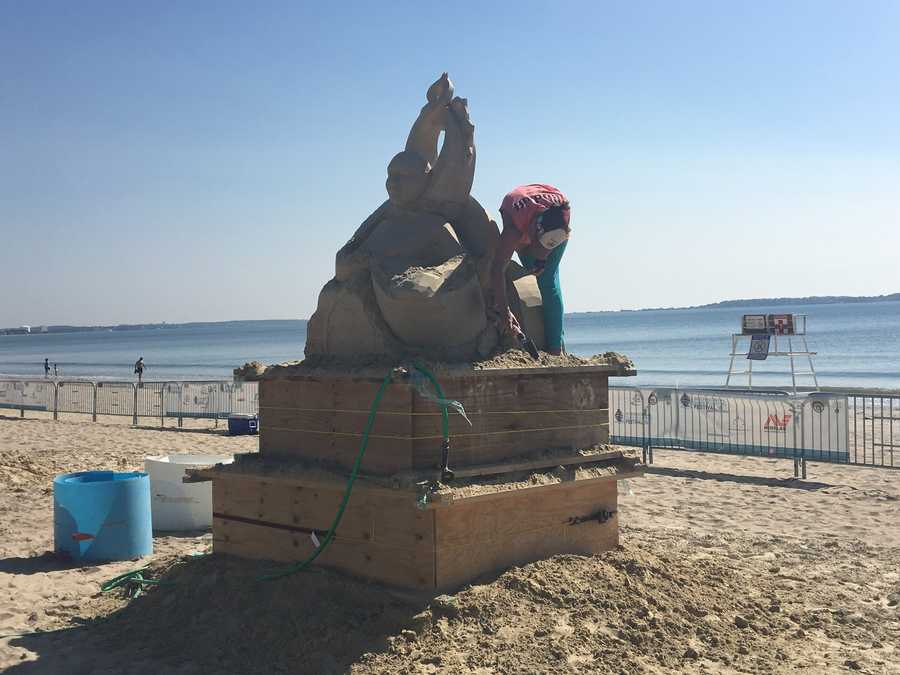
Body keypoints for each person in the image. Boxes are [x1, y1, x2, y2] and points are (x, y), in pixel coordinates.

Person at [491, 183, 571, 355]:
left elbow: (548, 243)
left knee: (547, 280)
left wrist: (543, 259)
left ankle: (556, 349)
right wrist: (505, 311)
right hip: (522, 214)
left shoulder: (562, 218)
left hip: (551, 218)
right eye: (539, 246)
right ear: (532, 235)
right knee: (531, 271)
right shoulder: (514, 228)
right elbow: (497, 269)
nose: (543, 253)